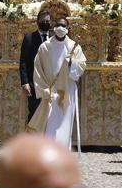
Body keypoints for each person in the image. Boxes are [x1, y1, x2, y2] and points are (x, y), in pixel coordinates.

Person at [28, 18, 86, 150]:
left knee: (65, 125)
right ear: (54, 27)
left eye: (63, 25)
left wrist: (71, 63)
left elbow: (82, 65)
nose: (60, 27)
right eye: (58, 25)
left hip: (67, 90)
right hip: (51, 90)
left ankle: (63, 153)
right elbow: (38, 69)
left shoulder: (74, 47)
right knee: (50, 125)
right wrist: (44, 90)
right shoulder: (45, 47)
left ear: (68, 28)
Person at [19, 9, 52, 122]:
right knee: (34, 113)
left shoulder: (54, 38)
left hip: (51, 83)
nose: (45, 23)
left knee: (51, 114)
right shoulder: (29, 38)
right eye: (43, 21)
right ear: (37, 22)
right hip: (34, 84)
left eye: (47, 21)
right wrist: (25, 83)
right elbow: (23, 61)